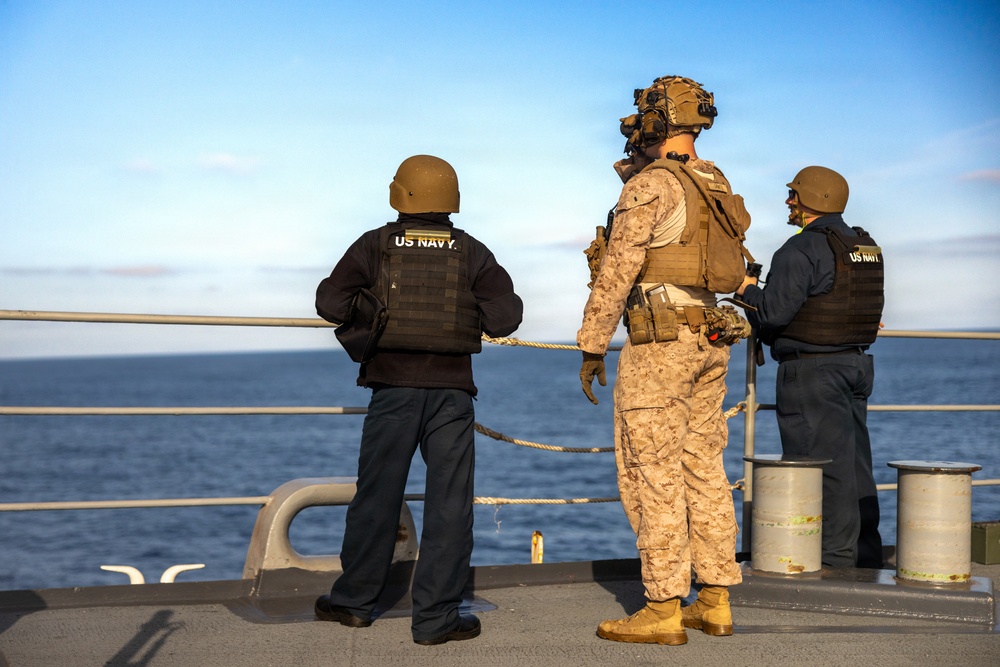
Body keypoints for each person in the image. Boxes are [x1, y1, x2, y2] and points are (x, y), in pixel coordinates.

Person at [313, 154, 523, 645]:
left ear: (399, 194)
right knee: (449, 504)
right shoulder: (471, 251)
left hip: (392, 391)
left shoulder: (375, 245)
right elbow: (506, 319)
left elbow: (328, 305)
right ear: (450, 197)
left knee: (376, 497)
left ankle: (353, 604)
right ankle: (435, 621)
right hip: (452, 396)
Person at [578, 76, 751, 646]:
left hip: (661, 343)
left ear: (654, 119)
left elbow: (619, 268)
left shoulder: (651, 185)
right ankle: (716, 598)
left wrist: (592, 343)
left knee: (649, 471)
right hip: (711, 335)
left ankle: (662, 607)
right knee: (704, 465)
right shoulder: (714, 179)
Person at [737, 166, 885, 569]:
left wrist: (746, 290)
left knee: (820, 471)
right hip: (856, 366)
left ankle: (834, 564)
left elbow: (771, 314)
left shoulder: (798, 249)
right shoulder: (864, 245)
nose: (788, 202)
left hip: (812, 372)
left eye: (793, 195)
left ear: (811, 201)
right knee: (855, 467)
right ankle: (866, 556)